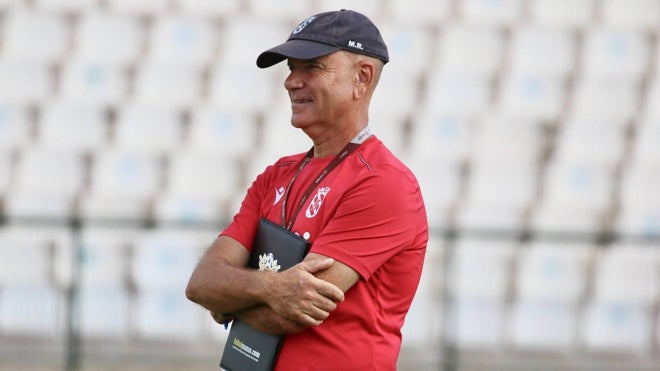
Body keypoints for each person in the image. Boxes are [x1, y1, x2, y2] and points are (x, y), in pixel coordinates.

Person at [186, 9, 428, 371]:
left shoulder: (384, 182)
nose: (291, 81)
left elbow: (296, 312)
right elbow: (202, 282)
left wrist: (230, 300)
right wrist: (270, 289)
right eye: (290, 68)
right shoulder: (275, 175)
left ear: (362, 78)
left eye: (311, 67)